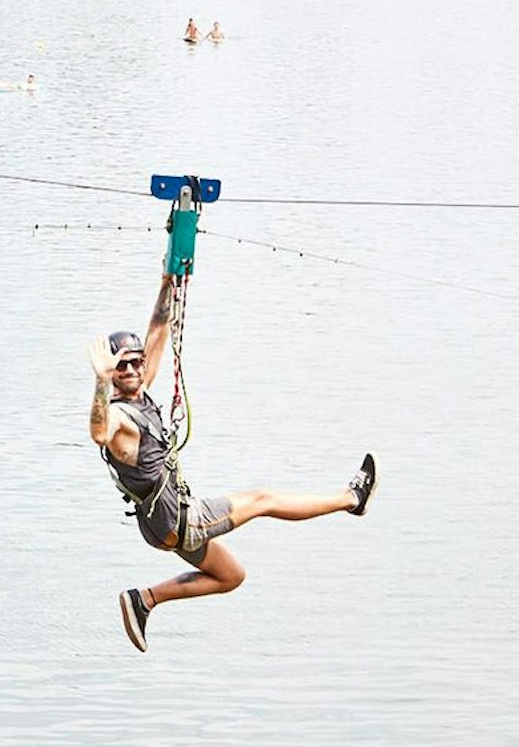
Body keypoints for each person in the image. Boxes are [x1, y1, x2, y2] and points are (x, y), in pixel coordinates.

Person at [89, 277, 376, 653]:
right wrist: (98, 381)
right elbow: (99, 432)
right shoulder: (121, 419)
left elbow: (159, 327)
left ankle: (144, 600)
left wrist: (169, 279)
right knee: (263, 499)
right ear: (112, 373)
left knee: (230, 576)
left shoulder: (141, 389)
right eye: (120, 366)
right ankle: (351, 498)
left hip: (162, 524)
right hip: (179, 519)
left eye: (135, 361)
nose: (129, 369)